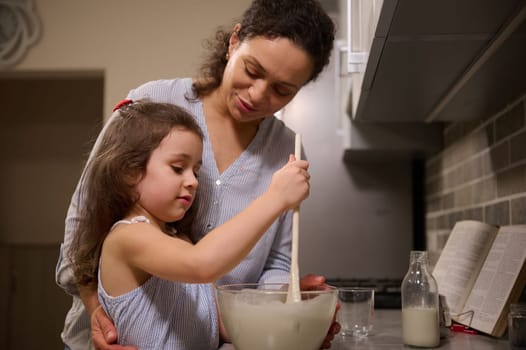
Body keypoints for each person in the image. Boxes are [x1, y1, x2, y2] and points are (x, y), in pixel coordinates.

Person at [55, 0, 337, 349]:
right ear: (234, 42)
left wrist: (286, 307)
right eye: (252, 70)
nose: (258, 94)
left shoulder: (287, 152)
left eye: (282, 90)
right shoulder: (151, 102)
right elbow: (86, 217)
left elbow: (276, 263)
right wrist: (98, 309)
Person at [68, 99, 310, 349]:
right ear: (130, 172)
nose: (193, 181)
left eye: (195, 171)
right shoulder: (127, 237)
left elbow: (221, 325)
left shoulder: (178, 240)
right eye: (177, 168)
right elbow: (201, 264)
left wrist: (296, 320)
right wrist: (275, 198)